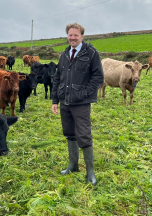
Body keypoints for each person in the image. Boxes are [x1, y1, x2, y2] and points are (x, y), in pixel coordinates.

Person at [51, 23, 104, 185]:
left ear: (82, 36)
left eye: (75, 35)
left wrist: (82, 93)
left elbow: (98, 78)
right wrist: (55, 100)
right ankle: (73, 165)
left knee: (84, 135)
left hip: (81, 103)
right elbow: (58, 77)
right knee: (69, 133)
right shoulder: (65, 54)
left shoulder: (91, 53)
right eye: (70, 35)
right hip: (65, 102)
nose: (72, 38)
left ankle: (90, 173)